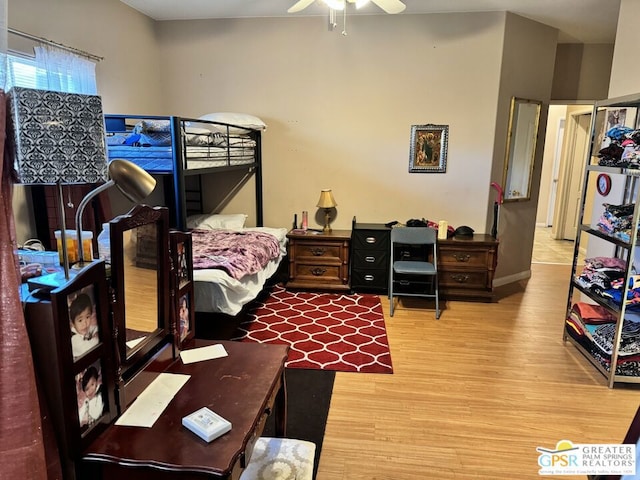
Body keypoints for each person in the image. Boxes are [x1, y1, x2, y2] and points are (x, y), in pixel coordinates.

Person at [70, 293, 99, 359]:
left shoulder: (86, 329)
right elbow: (89, 348)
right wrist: (98, 337)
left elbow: (95, 328)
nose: (85, 323)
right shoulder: (74, 339)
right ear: (73, 324)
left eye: (87, 317)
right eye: (80, 320)